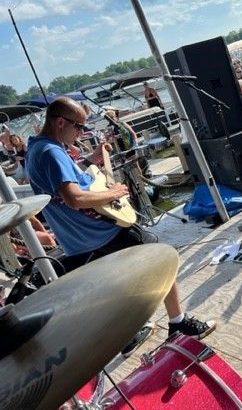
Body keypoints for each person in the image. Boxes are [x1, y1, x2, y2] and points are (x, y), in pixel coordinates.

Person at [26, 97, 215, 357]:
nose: (81, 133)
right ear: (60, 122)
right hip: (101, 230)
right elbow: (74, 198)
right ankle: (178, 324)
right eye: (79, 126)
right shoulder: (51, 151)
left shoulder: (36, 148)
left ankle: (129, 335)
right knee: (160, 256)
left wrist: (91, 160)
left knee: (118, 286)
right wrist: (113, 193)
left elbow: (68, 181)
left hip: (77, 241)